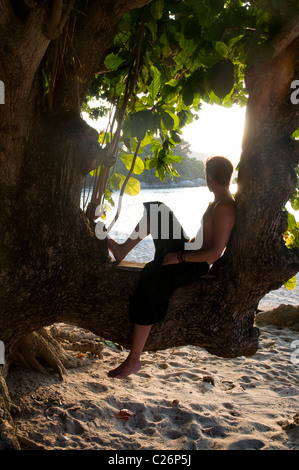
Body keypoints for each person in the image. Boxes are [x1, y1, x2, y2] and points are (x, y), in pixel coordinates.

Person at [106, 156, 236, 379]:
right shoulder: (217, 202)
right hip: (189, 250)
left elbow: (214, 253)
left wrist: (180, 256)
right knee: (157, 210)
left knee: (153, 281)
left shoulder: (224, 208)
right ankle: (122, 250)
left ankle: (134, 359)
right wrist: (181, 246)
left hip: (195, 262)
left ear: (210, 178)